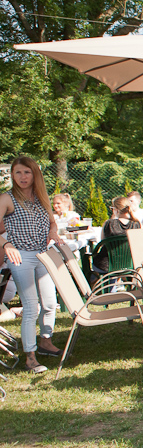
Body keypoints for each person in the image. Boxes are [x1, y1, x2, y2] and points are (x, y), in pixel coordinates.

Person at [0, 156, 66, 373]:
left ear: (34, 174)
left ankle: (46, 342)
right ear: (12, 175)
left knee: (50, 303)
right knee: (30, 307)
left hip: (43, 254)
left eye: (27, 172)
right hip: (21, 256)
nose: (22, 177)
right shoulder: (7, 198)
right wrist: (6, 244)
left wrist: (53, 232)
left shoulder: (41, 197)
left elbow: (52, 221)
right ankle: (30, 357)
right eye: (18, 172)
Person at [91, 195, 142, 282]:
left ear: (116, 210)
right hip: (130, 264)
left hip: (107, 265)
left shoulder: (109, 224)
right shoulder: (136, 224)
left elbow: (102, 242)